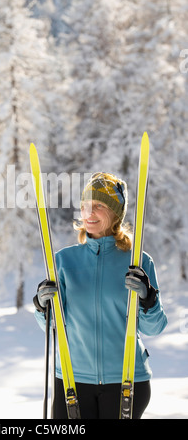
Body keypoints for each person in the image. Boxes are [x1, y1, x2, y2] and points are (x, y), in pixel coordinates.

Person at [33, 172, 167, 419]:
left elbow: (154, 327)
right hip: (73, 380)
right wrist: (43, 308)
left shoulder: (137, 260)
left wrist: (149, 300)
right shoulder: (62, 261)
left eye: (99, 206)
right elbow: (52, 328)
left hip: (126, 380)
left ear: (116, 213)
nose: (89, 213)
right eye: (85, 206)